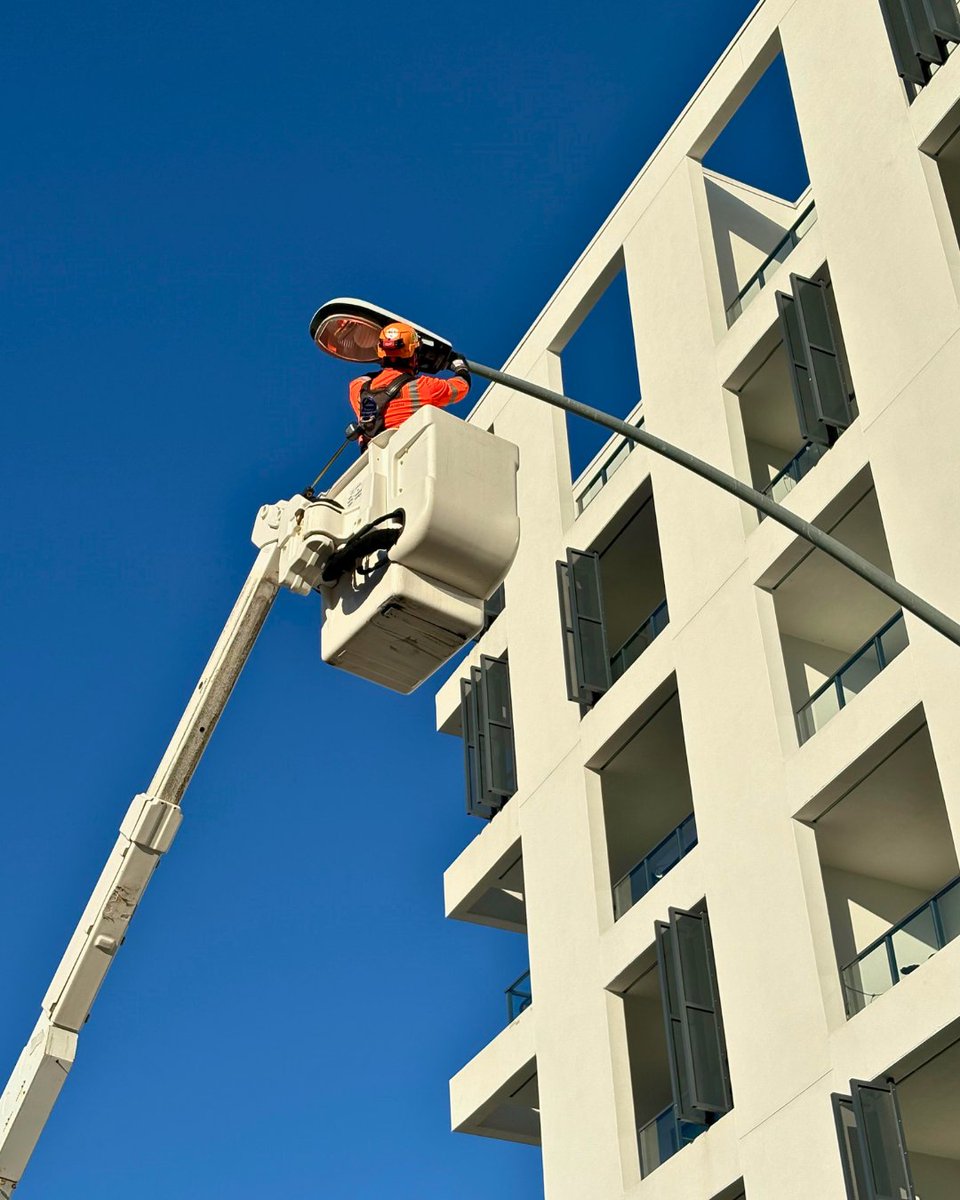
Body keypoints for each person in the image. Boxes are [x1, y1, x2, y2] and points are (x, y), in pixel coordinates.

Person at [346, 322, 471, 447]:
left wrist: (387, 363)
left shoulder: (358, 389)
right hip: (410, 452)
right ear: (413, 354)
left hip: (374, 461)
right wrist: (459, 365)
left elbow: (364, 378)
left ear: (381, 353)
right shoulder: (423, 387)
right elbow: (462, 386)